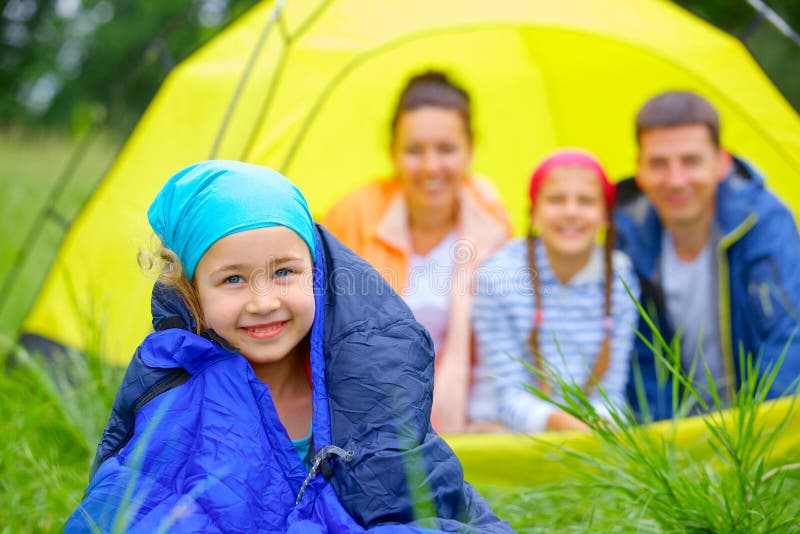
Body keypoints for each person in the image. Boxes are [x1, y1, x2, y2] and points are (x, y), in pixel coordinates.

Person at [65, 161, 512, 532]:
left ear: (316, 273)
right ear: (190, 290)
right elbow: (138, 505)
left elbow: (426, 494)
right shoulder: (176, 395)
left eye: (284, 273)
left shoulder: (368, 379)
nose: (264, 302)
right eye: (233, 279)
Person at [324, 71, 512, 434]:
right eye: (414, 151)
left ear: (469, 150)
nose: (430, 167)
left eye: (446, 149)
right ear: (393, 152)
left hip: (466, 425)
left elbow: (500, 346)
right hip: (367, 424)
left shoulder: (492, 227)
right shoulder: (352, 216)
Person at [615, 91, 800, 421]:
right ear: (639, 170)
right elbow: (639, 361)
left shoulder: (764, 223)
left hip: (758, 432)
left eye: (691, 161)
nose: (675, 180)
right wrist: (670, 454)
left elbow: (788, 339)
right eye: (659, 163)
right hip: (678, 442)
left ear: (721, 163)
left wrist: (753, 446)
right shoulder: (627, 238)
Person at [472, 149, 640, 433]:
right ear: (534, 213)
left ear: (605, 217)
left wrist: (600, 423)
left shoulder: (621, 277)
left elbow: (611, 392)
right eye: (556, 200)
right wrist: (560, 423)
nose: (571, 212)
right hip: (508, 432)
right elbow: (508, 394)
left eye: (586, 201)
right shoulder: (497, 278)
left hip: (592, 432)